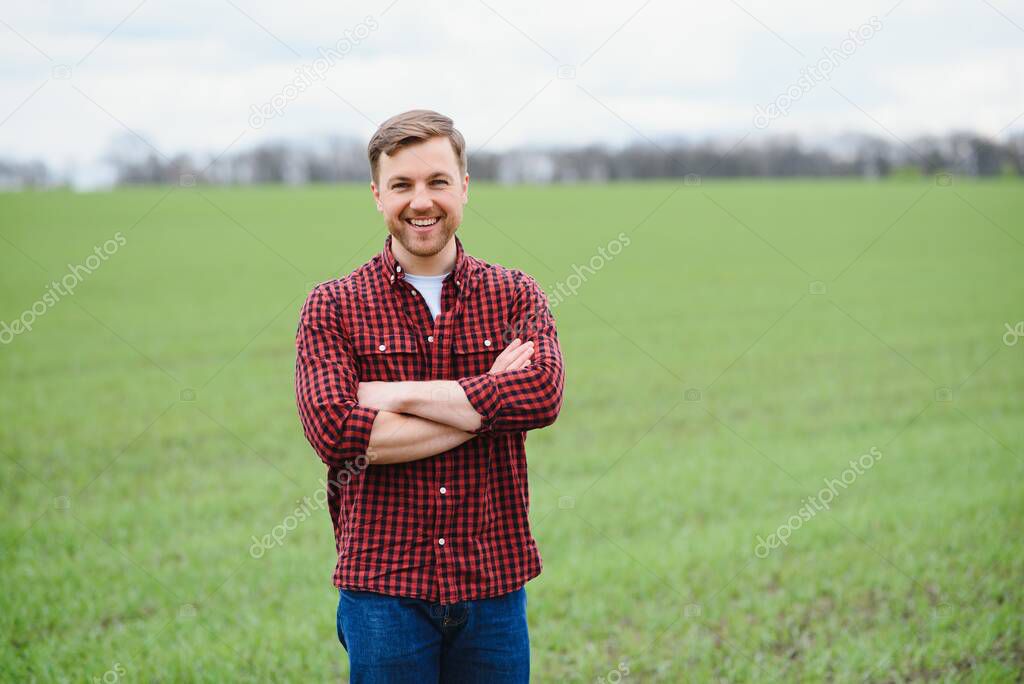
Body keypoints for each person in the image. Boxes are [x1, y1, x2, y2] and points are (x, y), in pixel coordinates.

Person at [294, 109, 565, 683]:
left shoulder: (515, 294)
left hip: (493, 585)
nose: (422, 201)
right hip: (383, 593)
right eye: (402, 185)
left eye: (438, 181)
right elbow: (337, 432)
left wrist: (390, 395)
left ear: (464, 186)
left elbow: (540, 396)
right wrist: (490, 401)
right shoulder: (332, 306)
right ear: (377, 195)